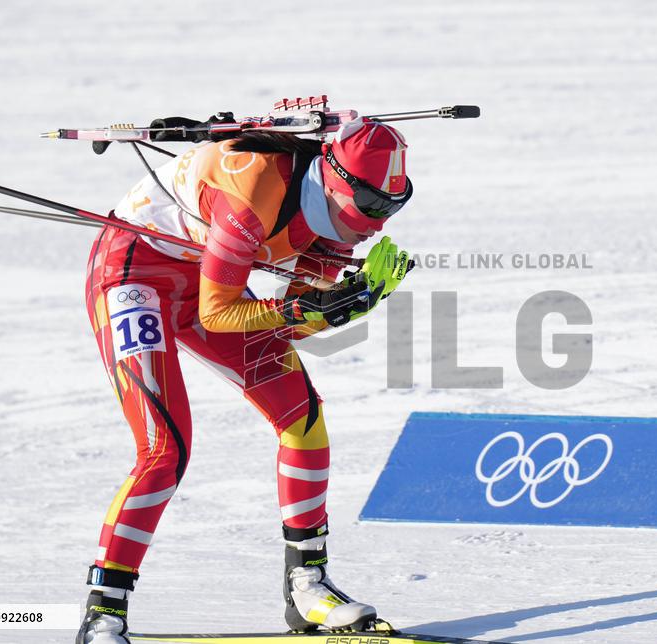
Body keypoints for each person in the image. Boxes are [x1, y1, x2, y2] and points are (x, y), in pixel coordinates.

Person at [76, 117, 413, 644]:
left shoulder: (339, 224)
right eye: (371, 205)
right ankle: (105, 613)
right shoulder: (253, 191)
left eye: (394, 207)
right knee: (164, 449)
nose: (377, 224)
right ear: (334, 181)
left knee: (301, 416)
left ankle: (309, 584)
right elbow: (219, 315)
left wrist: (346, 305)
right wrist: (309, 303)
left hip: (205, 282)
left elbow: (298, 320)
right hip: (133, 274)